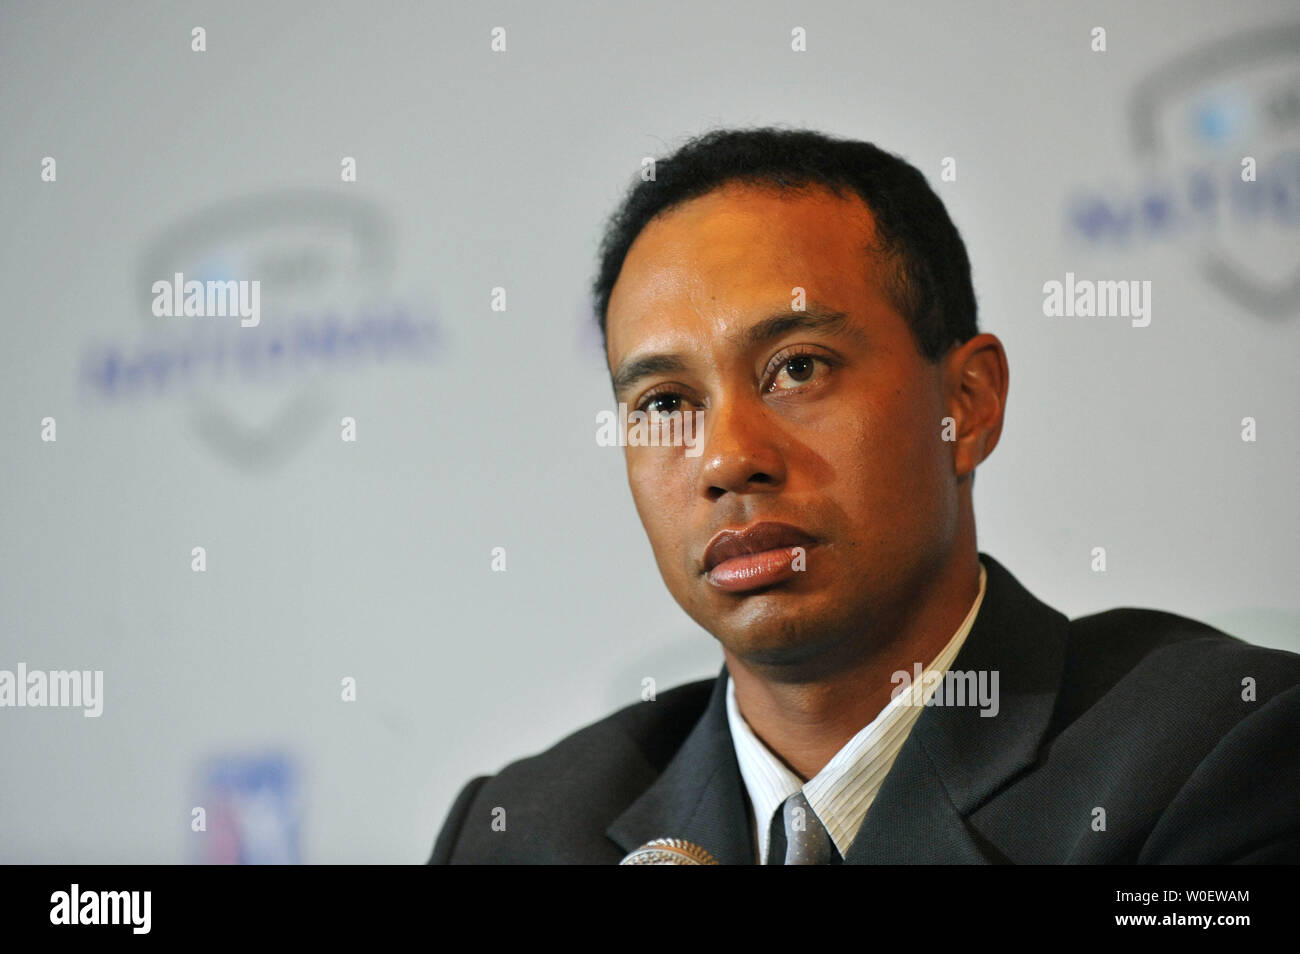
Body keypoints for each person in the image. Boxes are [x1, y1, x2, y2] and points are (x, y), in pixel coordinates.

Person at [429, 127, 1300, 864]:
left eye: (797, 368)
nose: (728, 459)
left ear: (969, 403)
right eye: (665, 404)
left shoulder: (1222, 754)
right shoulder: (523, 834)